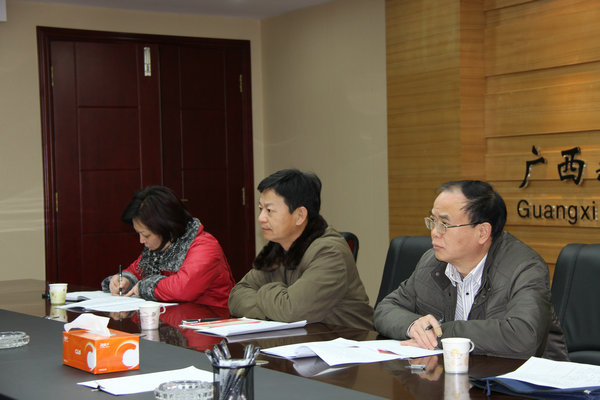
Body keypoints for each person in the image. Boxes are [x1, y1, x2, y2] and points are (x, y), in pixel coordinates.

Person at [374, 180, 568, 359]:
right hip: (459, 375)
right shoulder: (431, 262)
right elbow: (386, 309)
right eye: (433, 221)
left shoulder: (524, 268)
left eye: (444, 224)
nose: (434, 232)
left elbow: (523, 336)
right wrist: (413, 325)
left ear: (482, 232)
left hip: (525, 380)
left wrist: (442, 333)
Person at [228, 169, 373, 330]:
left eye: (269, 210)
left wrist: (266, 293)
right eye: (260, 209)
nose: (261, 218)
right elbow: (236, 296)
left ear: (300, 215)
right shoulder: (278, 247)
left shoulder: (330, 252)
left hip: (350, 341)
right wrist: (278, 304)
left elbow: (291, 311)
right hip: (300, 340)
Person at [101, 186, 235, 308]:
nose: (141, 240)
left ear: (166, 228)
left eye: (146, 235)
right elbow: (137, 271)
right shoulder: (157, 248)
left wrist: (143, 287)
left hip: (210, 318)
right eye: (139, 234)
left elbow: (182, 289)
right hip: (175, 318)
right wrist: (125, 280)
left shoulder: (205, 247)